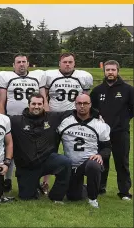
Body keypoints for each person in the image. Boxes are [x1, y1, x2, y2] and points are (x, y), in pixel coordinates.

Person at [41, 52, 94, 193]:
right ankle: (45, 182)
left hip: (72, 117)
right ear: (59, 63)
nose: (67, 64)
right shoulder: (50, 76)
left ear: (74, 63)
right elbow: (44, 96)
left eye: (70, 62)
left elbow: (86, 99)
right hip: (53, 116)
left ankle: (75, 181)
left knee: (73, 149)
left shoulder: (82, 77)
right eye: (65, 62)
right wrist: (46, 112)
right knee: (49, 149)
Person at [0, 54, 45, 191]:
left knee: (34, 151)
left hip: (33, 119)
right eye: (18, 62)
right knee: (8, 149)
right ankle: (8, 180)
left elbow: (43, 98)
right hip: (12, 119)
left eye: (24, 62)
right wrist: (0, 118)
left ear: (28, 63)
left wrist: (46, 117)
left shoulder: (37, 76)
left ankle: (35, 181)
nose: (21, 64)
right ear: (13, 65)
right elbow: (2, 101)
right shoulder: (6, 77)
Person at [10, 94, 73, 202]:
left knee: (65, 163)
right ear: (28, 105)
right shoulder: (16, 121)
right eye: (33, 103)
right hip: (27, 166)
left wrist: (96, 113)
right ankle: (35, 187)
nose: (36, 106)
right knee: (26, 197)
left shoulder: (53, 118)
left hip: (46, 160)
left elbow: (74, 112)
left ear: (43, 105)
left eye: (39, 104)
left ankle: (56, 196)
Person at [57, 94, 111, 208]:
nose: (82, 106)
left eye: (85, 103)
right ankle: (85, 187)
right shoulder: (65, 121)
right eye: (79, 103)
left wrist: (100, 155)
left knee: (93, 165)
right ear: (75, 105)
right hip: (70, 165)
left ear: (90, 104)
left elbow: (107, 148)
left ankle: (93, 199)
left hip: (88, 162)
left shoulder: (99, 124)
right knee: (73, 197)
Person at [90, 60, 133, 200]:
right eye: (107, 70)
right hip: (102, 134)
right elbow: (93, 110)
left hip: (121, 132)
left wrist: (123, 120)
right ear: (104, 71)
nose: (110, 72)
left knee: (122, 162)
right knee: (102, 161)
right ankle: (100, 187)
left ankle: (124, 192)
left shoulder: (128, 89)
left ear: (117, 71)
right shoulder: (97, 90)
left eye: (113, 70)